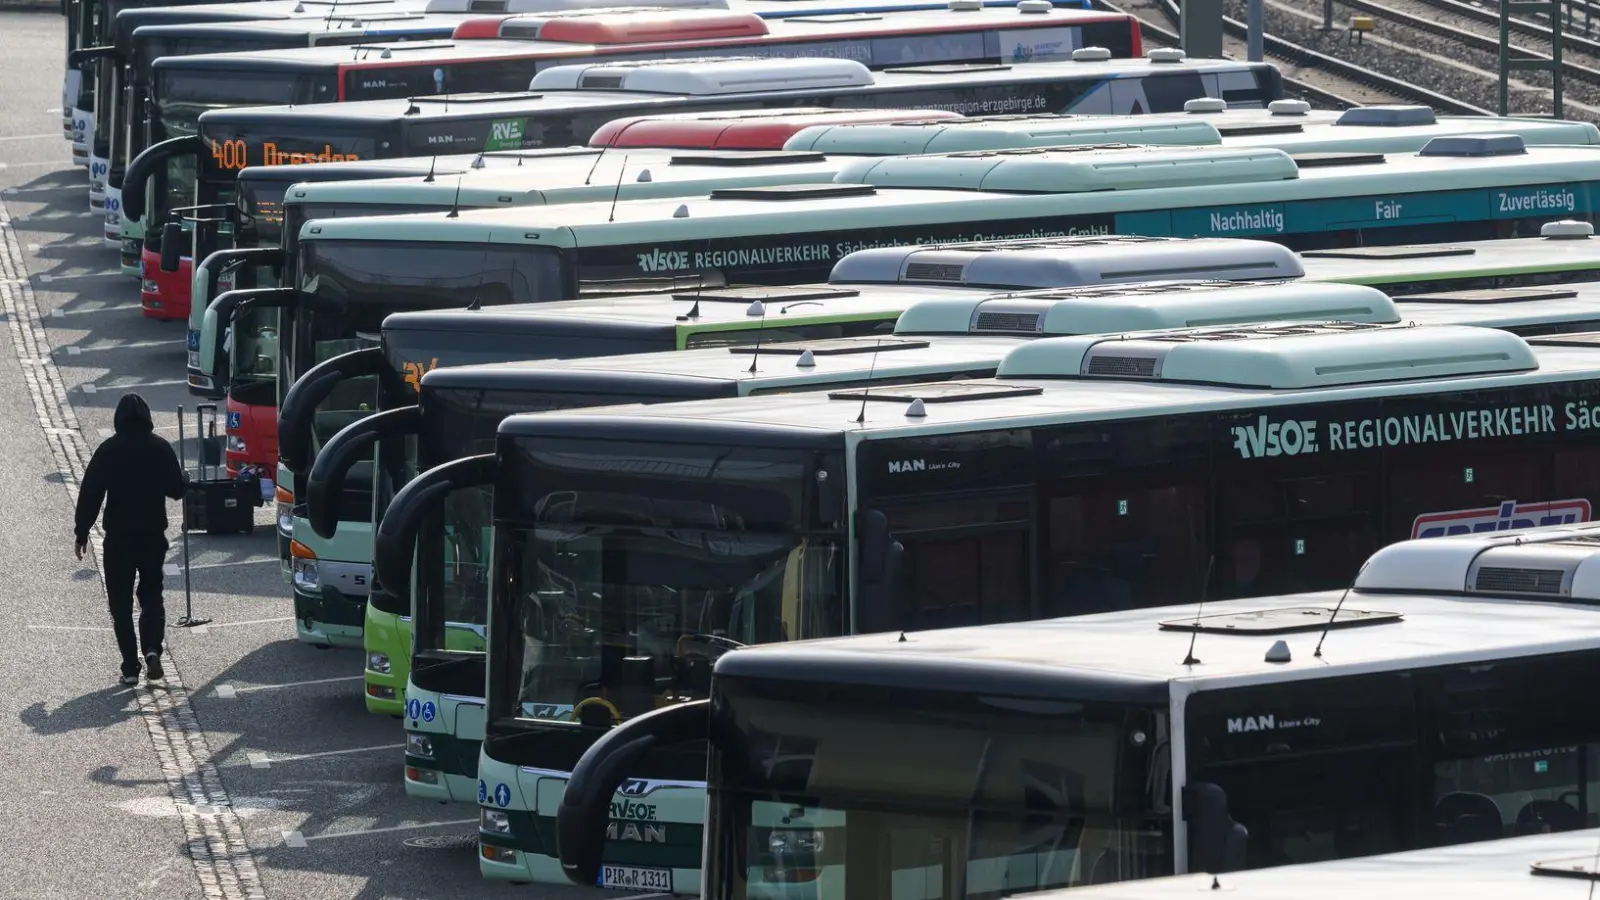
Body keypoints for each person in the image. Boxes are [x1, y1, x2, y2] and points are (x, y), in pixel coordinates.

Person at [73, 393, 186, 685]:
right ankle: (151, 649)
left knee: (120, 604)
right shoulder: (160, 448)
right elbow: (176, 490)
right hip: (152, 537)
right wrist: (183, 478)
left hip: (119, 540)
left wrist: (82, 530)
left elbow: (91, 492)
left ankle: (129, 667)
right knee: (151, 595)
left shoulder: (109, 450)